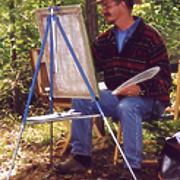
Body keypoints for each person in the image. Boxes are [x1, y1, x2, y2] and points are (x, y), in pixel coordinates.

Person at [54, 0, 171, 178]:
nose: (103, 11)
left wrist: (141, 89)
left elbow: (164, 79)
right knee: (82, 99)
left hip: (150, 100)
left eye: (107, 6)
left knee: (128, 106)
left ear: (123, 4)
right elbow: (88, 69)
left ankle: (132, 169)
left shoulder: (150, 36)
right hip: (117, 96)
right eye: (102, 7)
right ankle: (81, 158)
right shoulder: (104, 40)